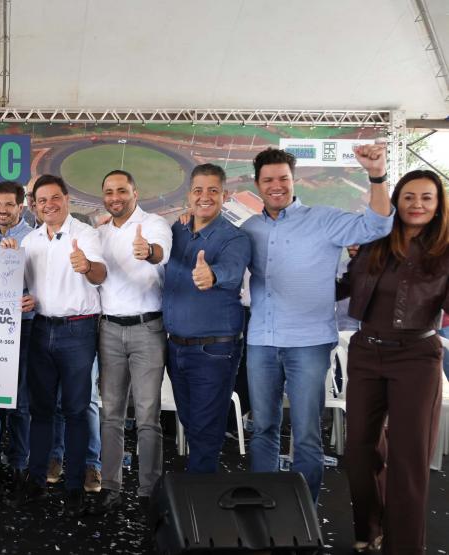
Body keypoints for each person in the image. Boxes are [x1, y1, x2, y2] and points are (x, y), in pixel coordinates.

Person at [242, 146, 393, 502]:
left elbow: (378, 224)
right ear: (257, 184)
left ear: (293, 181)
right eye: (268, 180)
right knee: (262, 428)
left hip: (309, 344)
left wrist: (377, 175)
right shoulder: (248, 228)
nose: (276, 186)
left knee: (307, 432)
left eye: (283, 178)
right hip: (261, 341)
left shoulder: (324, 219)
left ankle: (304, 510)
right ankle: (264, 507)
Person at [337, 167, 449, 554]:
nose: (417, 204)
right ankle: (370, 529)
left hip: (417, 357)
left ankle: (405, 546)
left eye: (426, 198)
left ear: (438, 207)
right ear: (397, 201)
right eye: (409, 197)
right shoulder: (372, 242)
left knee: (409, 457)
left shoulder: (446, 249)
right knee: (359, 452)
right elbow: (344, 286)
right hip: (367, 352)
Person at [10, 174, 106, 516]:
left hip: (78, 332)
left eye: (55, 198)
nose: (48, 204)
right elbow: (18, 285)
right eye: (41, 200)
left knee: (77, 411)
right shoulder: (31, 241)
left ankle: (74, 484)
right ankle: (36, 480)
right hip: (41, 329)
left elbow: (100, 275)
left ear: (67, 199)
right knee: (41, 410)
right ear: (34, 205)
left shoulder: (86, 234)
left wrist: (87, 266)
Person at [93, 169, 172, 513]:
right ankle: (110, 487)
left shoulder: (154, 224)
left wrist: (148, 251)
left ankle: (148, 491)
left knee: (147, 415)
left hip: (147, 330)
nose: (115, 198)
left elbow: (160, 252)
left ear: (135, 193)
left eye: (121, 191)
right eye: (109, 192)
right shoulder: (98, 234)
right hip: (108, 329)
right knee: (110, 414)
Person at [164, 164, 250, 475]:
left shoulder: (234, 237)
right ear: (189, 195)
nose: (205, 196)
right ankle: (198, 498)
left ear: (224, 196)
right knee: (191, 422)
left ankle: (199, 507)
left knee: (205, 431)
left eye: (213, 190)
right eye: (198, 190)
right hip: (175, 349)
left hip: (213, 351)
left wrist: (211, 274)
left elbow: (232, 269)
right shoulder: (176, 232)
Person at [0, 180, 35, 480]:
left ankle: (19, 462)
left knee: (20, 399)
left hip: (24, 330)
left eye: (9, 205)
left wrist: (35, 297)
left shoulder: (33, 239)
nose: (2, 210)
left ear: (21, 206)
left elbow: (43, 285)